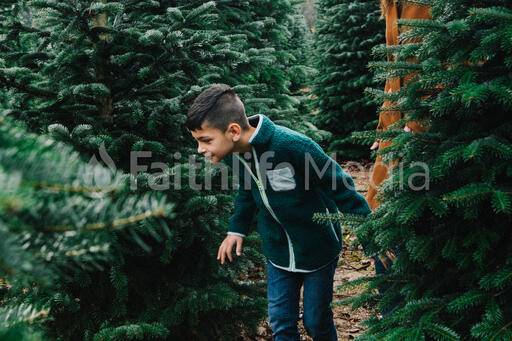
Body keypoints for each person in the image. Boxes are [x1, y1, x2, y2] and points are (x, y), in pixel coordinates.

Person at [187, 85, 371, 341]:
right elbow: (246, 190)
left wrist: (370, 233)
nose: (200, 149)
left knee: (316, 321)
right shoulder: (233, 155)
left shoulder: (292, 146)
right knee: (281, 322)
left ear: (233, 131)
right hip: (277, 252)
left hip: (317, 248)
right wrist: (236, 229)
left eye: (205, 140)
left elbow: (339, 184)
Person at [367, 0, 432, 272]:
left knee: (402, 223)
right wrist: (384, 126)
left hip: (426, 127)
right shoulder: (391, 3)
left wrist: (418, 123)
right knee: (376, 218)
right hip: (397, 127)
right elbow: (395, 69)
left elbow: (451, 59)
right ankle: (392, 306)